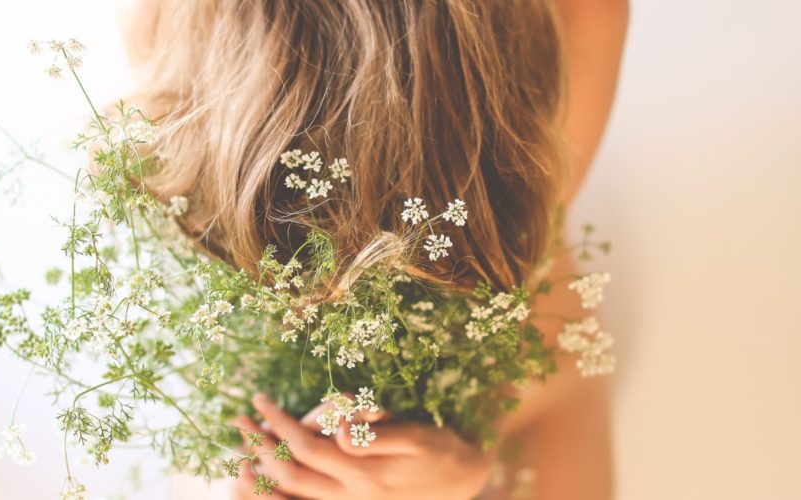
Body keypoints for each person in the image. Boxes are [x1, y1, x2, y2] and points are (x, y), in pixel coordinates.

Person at [118, 1, 627, 498]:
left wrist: (462, 484)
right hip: (269, 393)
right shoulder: (169, 19)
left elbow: (533, 225)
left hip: (514, 384)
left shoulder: (577, 15)